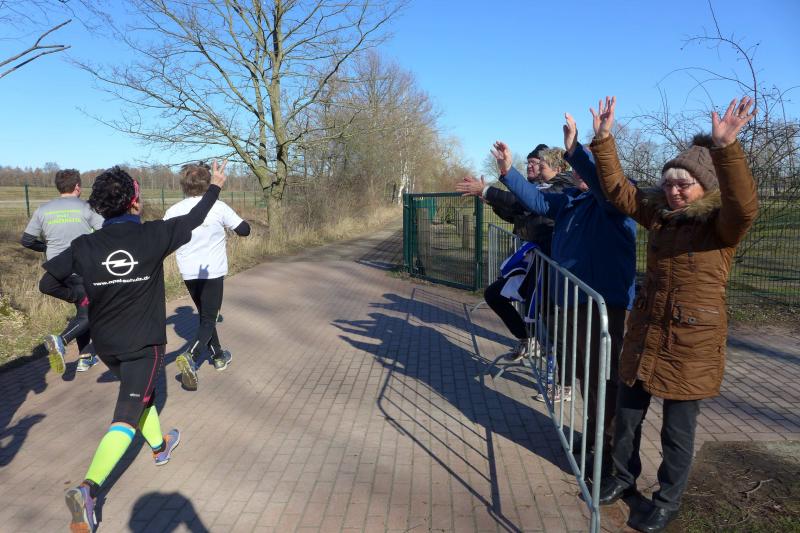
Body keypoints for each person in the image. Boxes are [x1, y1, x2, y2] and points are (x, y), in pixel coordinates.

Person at [589, 96, 758, 533]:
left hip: (691, 344)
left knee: (677, 433)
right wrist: (604, 140)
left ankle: (667, 501)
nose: (674, 191)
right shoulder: (661, 218)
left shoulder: (720, 228)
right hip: (646, 335)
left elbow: (744, 205)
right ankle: (622, 478)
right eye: (669, 184)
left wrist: (726, 148)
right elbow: (619, 192)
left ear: (704, 187)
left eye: (684, 184)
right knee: (627, 418)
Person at [41, 162, 227, 533]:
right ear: (135, 202)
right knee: (126, 414)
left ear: (98, 207)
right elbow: (195, 217)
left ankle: (159, 446)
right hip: (143, 343)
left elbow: (48, 282)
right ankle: (88, 490)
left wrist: (82, 295)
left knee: (141, 393)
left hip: (106, 345)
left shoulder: (84, 245)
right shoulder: (154, 235)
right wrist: (216, 186)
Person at [489, 114, 636, 473]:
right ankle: (594, 437)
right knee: (588, 376)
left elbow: (606, 187)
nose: (580, 174)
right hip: (574, 302)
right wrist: (508, 171)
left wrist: (577, 151)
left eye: (589, 168)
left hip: (604, 306)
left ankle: (609, 456)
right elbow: (537, 203)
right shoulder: (573, 199)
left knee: (607, 380)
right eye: (579, 168)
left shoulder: (619, 198)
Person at [457, 145, 572, 363]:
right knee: (496, 295)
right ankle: (529, 340)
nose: (534, 167)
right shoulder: (541, 187)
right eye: (533, 163)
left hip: (550, 263)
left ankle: (561, 372)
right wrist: (489, 197)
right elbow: (516, 212)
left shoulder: (563, 188)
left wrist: (487, 190)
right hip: (534, 260)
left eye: (540, 163)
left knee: (549, 316)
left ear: (557, 168)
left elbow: (525, 202)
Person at [164, 162, 251, 391]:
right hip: (212, 271)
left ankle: (218, 356)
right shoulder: (218, 207)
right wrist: (243, 224)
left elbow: (164, 239)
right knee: (209, 318)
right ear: (208, 183)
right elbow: (244, 230)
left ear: (184, 185)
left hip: (188, 272)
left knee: (205, 316)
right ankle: (190, 356)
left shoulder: (173, 211)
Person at [22, 169, 104, 373]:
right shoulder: (86, 207)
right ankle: (61, 340)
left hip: (57, 269)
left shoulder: (43, 210)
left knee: (82, 309)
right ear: (77, 187)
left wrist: (46, 247)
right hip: (82, 267)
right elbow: (106, 232)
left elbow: (27, 240)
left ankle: (85, 357)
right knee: (88, 314)